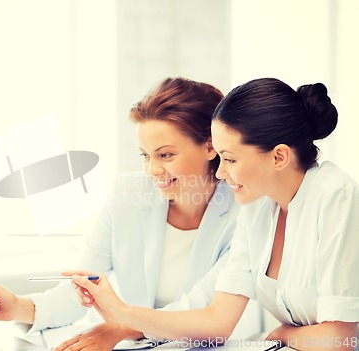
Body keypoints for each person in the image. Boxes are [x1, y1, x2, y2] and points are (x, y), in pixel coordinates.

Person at [0, 77, 261, 350]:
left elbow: (201, 307)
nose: (152, 170)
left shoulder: (245, 211)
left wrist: (122, 327)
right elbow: (83, 288)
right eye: (145, 155)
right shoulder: (128, 194)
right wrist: (17, 306)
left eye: (166, 155)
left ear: (210, 147)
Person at [68, 77, 359, 351]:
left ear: (279, 156)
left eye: (230, 159)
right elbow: (217, 320)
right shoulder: (256, 207)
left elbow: (342, 339)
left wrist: (283, 335)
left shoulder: (335, 196)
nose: (220, 172)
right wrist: (122, 314)